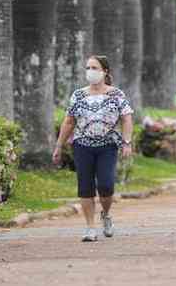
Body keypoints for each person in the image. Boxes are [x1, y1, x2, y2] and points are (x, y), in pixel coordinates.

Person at [52, 56, 134, 242]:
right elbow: (69, 121)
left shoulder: (116, 94)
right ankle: (90, 227)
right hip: (82, 145)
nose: (90, 71)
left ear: (105, 71)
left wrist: (127, 142)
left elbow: (127, 118)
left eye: (94, 67)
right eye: (88, 67)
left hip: (108, 145)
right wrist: (59, 145)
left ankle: (105, 213)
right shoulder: (78, 95)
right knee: (85, 186)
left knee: (106, 185)